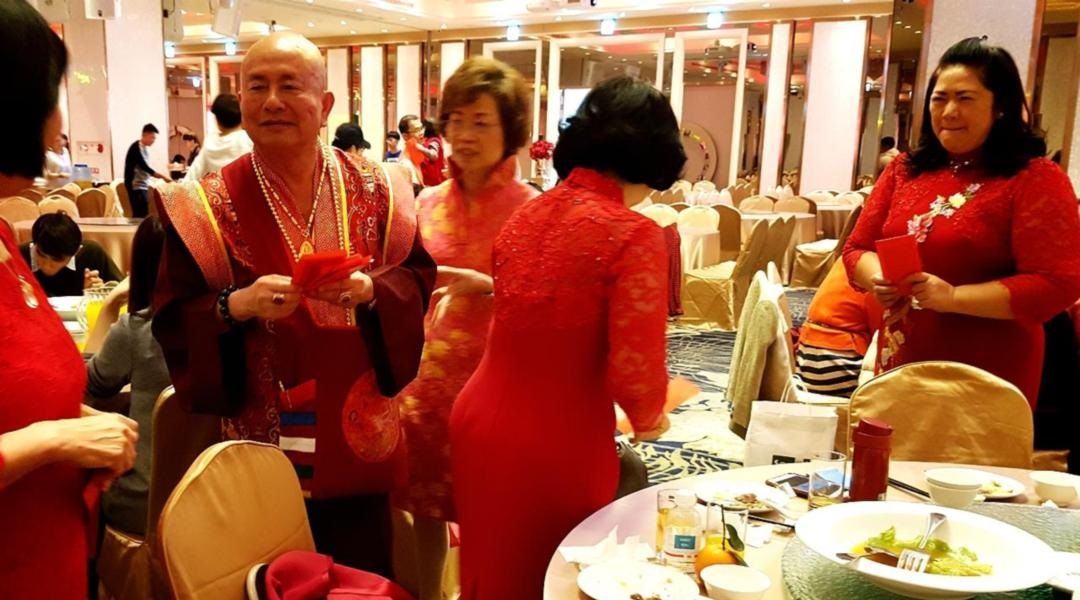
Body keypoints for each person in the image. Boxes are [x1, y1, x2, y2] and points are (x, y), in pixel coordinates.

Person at [153, 32, 435, 575]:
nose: (273, 101)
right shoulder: (204, 203)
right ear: (241, 100)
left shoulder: (380, 188)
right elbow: (172, 316)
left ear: (324, 105)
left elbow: (417, 277)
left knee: (364, 578)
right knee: (269, 578)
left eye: (290, 85)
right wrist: (236, 305)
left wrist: (372, 290)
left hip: (357, 437)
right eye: (257, 87)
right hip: (260, 437)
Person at [449, 76, 682, 599]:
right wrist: (651, 417)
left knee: (490, 573)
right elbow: (635, 372)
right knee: (553, 579)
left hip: (478, 421)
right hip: (555, 441)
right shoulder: (635, 234)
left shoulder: (527, 213)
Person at [844, 37, 1080, 405]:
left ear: (1000, 107)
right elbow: (857, 248)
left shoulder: (1033, 177)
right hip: (903, 351)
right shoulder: (905, 170)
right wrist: (879, 280)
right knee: (897, 439)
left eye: (965, 98)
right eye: (939, 99)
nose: (949, 111)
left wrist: (953, 298)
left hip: (988, 364)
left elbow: (1057, 283)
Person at [0, 2, 138, 596]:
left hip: (47, 553)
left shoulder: (4, 238)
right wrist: (55, 439)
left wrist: (75, 419)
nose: (60, 124)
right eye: (52, 96)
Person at [394, 57, 537, 600]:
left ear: (511, 130)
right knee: (424, 512)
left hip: (496, 393)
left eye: (481, 122)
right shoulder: (427, 202)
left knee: (490, 518)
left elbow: (550, 307)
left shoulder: (531, 211)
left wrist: (491, 287)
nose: (465, 135)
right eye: (456, 120)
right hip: (425, 389)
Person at [83, 217, 170, 536]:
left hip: (144, 503)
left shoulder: (138, 330)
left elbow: (86, 386)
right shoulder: (229, 324)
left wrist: (110, 305)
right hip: (213, 493)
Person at [795, 261, 882, 397]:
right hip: (837, 364)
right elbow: (882, 330)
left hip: (807, 359)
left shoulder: (848, 259)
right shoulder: (874, 270)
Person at [18, 212, 123, 297]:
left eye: (57, 259)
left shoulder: (92, 254)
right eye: (41, 255)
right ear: (35, 244)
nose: (47, 265)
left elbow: (123, 291)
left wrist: (101, 292)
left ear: (76, 252)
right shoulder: (20, 255)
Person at [185, 94, 254, 182]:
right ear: (241, 116)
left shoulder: (210, 144)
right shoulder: (248, 140)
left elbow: (191, 177)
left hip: (219, 189)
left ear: (217, 119)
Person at [123, 123, 171, 217]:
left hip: (142, 185)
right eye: (152, 137)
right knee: (139, 214)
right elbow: (145, 167)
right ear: (145, 135)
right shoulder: (136, 148)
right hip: (135, 186)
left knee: (144, 212)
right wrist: (164, 177)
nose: (153, 140)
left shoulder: (144, 148)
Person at [418, 118, 447, 187]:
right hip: (431, 180)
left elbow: (434, 155)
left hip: (433, 181)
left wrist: (420, 148)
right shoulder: (429, 140)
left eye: (422, 128)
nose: (420, 131)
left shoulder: (434, 141)